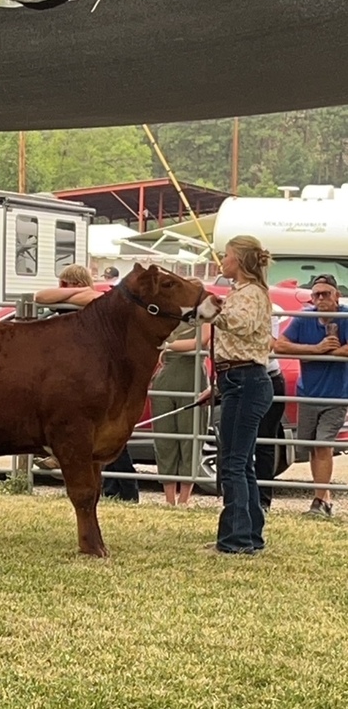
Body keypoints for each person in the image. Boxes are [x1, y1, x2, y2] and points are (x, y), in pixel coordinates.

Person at [33, 265, 139, 502]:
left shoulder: (99, 299)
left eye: (64, 284)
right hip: (75, 376)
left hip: (99, 376)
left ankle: (127, 492)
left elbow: (92, 296)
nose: (60, 288)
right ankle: (112, 490)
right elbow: (40, 296)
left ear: (73, 282)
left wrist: (76, 293)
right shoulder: (74, 299)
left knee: (108, 437)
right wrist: (72, 293)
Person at [206, 235, 274, 555]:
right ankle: (248, 534)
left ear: (240, 260)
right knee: (241, 462)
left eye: (228, 255)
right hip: (241, 379)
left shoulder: (250, 295)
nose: (224, 260)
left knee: (233, 462)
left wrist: (210, 311)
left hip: (244, 380)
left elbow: (242, 326)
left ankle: (235, 539)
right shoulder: (248, 292)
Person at [274, 273, 348, 517]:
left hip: (336, 395)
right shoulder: (304, 318)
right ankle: (324, 497)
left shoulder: (345, 316)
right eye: (316, 294)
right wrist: (315, 350)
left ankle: (318, 501)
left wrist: (336, 352)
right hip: (307, 393)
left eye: (326, 293)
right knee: (312, 448)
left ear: (337, 295)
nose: (320, 299)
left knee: (323, 445)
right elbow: (280, 345)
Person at [151, 321, 211, 506]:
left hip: (192, 378)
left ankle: (184, 499)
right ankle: (169, 499)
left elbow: (202, 341)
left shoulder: (204, 313)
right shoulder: (167, 312)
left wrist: (167, 346)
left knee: (190, 438)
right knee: (164, 439)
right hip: (166, 378)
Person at [254, 313, 286, 511]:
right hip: (241, 378)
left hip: (268, 376)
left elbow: (270, 345)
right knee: (239, 442)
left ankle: (263, 500)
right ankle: (239, 498)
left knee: (265, 442)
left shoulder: (269, 310)